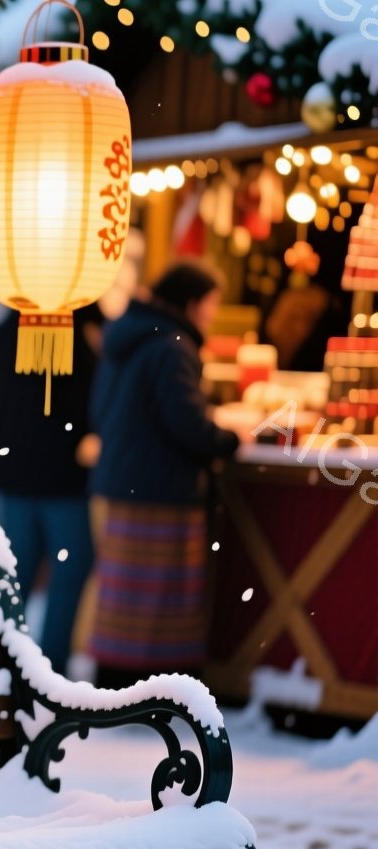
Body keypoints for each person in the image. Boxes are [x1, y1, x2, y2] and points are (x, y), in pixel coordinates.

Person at [89, 262, 247, 688]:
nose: (212, 314)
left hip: (125, 482)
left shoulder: (128, 336)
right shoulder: (173, 345)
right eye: (211, 304)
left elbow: (99, 410)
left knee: (125, 599)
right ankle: (162, 687)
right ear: (192, 302)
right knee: (161, 599)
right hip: (162, 488)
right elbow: (187, 424)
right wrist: (230, 439)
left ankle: (115, 679)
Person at [0, 304, 104, 676]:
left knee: (19, 571)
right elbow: (90, 401)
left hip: (13, 471)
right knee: (69, 567)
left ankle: (7, 664)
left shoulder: (8, 328)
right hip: (61, 475)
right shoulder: (77, 331)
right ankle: (48, 668)